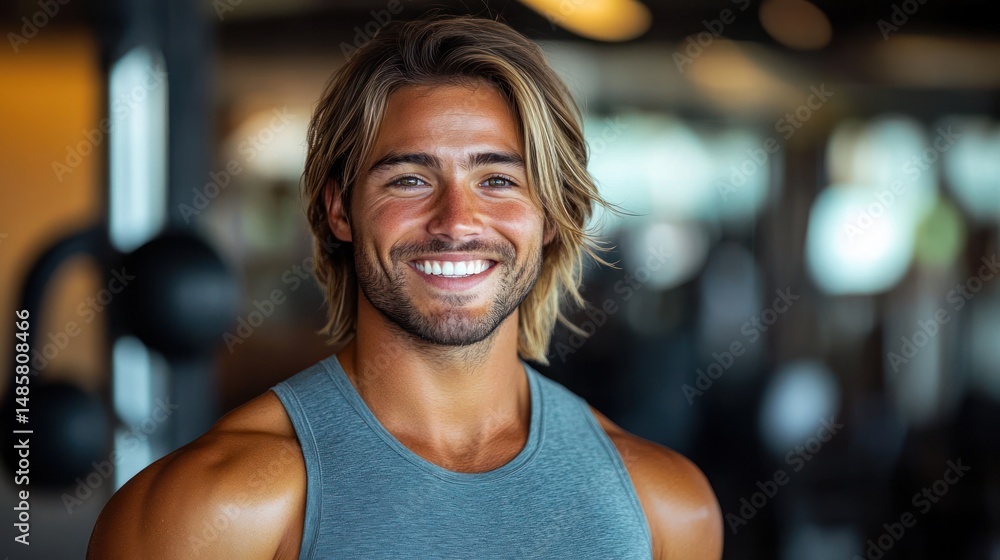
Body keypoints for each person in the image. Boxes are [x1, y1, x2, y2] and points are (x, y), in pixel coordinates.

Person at [88, 14, 723, 559]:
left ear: (551, 215)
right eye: (410, 180)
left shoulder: (666, 505)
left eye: (498, 180)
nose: (456, 222)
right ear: (340, 209)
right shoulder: (210, 509)